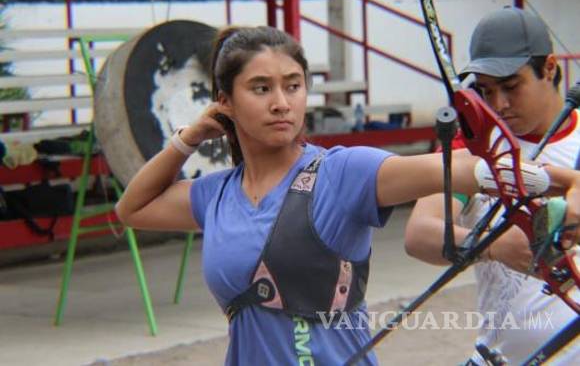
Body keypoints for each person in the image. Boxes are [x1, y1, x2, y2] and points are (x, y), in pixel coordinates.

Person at [116, 25, 580, 365]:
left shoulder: (342, 173)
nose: (281, 103)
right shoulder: (216, 195)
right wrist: (190, 137)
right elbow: (133, 208)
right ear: (225, 102)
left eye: (293, 86)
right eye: (260, 89)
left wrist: (563, 183)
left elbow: (460, 168)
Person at [405, 7, 580, 364]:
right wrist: (494, 245)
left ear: (549, 67)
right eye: (486, 90)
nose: (499, 104)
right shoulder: (471, 149)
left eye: (511, 86)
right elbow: (420, 233)